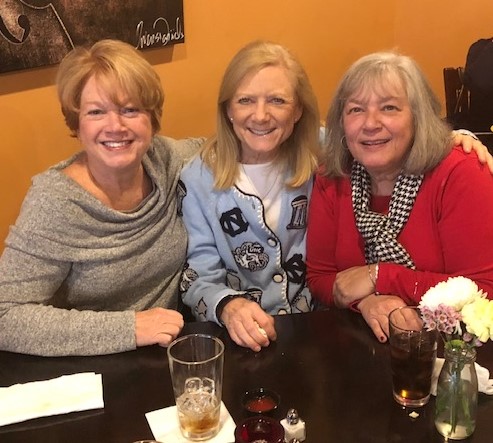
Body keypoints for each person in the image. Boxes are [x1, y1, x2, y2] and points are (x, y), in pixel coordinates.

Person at [0, 39, 202, 356]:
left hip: (167, 354)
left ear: (151, 120)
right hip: (92, 367)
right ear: (77, 124)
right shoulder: (55, 201)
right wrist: (130, 328)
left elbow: (226, 147)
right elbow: (5, 316)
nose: (115, 126)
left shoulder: (164, 158)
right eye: (96, 112)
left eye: (130, 109)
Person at [306, 51, 493, 344]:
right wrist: (366, 302)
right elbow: (320, 277)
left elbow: (482, 289)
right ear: (341, 123)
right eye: (355, 109)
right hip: (362, 342)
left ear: (419, 117)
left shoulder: (461, 171)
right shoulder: (333, 176)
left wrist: (378, 277)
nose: (370, 123)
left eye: (389, 107)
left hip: (451, 346)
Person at [179, 41, 321, 352]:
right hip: (240, 340)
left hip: (314, 330)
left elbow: (372, 132)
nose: (260, 116)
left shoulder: (319, 157)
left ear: (298, 109)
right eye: (245, 100)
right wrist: (228, 306)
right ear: (228, 109)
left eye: (277, 101)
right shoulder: (198, 178)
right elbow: (197, 277)